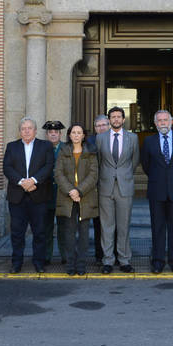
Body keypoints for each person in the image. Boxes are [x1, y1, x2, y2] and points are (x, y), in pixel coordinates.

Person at [141, 110, 173, 274]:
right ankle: (158, 261)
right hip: (157, 190)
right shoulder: (148, 141)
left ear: (171, 121)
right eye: (159, 120)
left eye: (165, 120)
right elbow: (146, 165)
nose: (163, 123)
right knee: (157, 228)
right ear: (155, 123)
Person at [3, 116, 54, 273]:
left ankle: (39, 262)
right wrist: (21, 182)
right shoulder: (12, 146)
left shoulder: (45, 146)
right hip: (17, 196)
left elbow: (48, 166)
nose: (26, 131)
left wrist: (33, 180)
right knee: (17, 232)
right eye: (23, 128)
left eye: (29, 128)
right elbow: (7, 167)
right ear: (19, 131)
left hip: (38, 195)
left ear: (35, 130)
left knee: (39, 232)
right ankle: (16, 263)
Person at [95, 106, 140, 274]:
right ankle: (107, 261)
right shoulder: (101, 138)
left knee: (123, 226)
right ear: (109, 120)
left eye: (118, 116)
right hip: (106, 187)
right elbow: (99, 161)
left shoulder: (133, 138)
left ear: (123, 119)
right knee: (107, 226)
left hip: (125, 187)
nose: (115, 119)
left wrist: (123, 175)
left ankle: (124, 260)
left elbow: (134, 161)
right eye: (112, 117)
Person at [54, 123, 98, 276]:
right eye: (74, 132)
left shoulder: (91, 151)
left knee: (84, 234)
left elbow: (93, 175)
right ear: (69, 135)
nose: (76, 135)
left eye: (79, 132)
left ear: (84, 135)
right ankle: (70, 264)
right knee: (69, 233)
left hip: (85, 198)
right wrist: (71, 191)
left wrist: (79, 191)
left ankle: (81, 265)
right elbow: (58, 173)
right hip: (68, 198)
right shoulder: (63, 151)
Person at [42, 120, 67, 265]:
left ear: (60, 134)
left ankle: (65, 255)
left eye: (56, 132)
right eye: (50, 132)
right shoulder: (42, 148)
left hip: (62, 194)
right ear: (46, 134)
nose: (53, 135)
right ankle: (47, 256)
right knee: (47, 228)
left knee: (64, 228)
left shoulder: (66, 148)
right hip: (46, 194)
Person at [86, 114, 109, 262]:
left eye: (104, 125)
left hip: (112, 188)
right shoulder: (88, 142)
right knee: (98, 225)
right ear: (94, 128)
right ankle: (100, 255)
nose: (101, 128)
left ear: (109, 126)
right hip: (93, 190)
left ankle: (115, 254)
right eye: (98, 126)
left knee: (114, 225)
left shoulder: (115, 139)